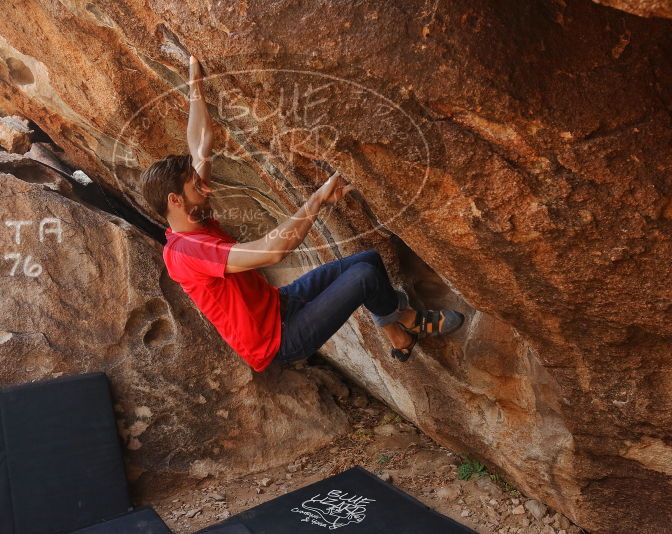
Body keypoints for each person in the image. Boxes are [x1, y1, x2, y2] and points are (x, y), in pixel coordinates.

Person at [139, 55, 464, 373]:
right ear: (175, 200)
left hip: (280, 305)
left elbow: (200, 144)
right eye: (197, 186)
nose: (206, 187)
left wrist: (195, 78)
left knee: (369, 261)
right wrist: (318, 199)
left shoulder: (194, 213)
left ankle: (398, 336)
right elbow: (272, 251)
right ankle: (408, 321)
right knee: (363, 279)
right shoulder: (185, 252)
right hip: (277, 341)